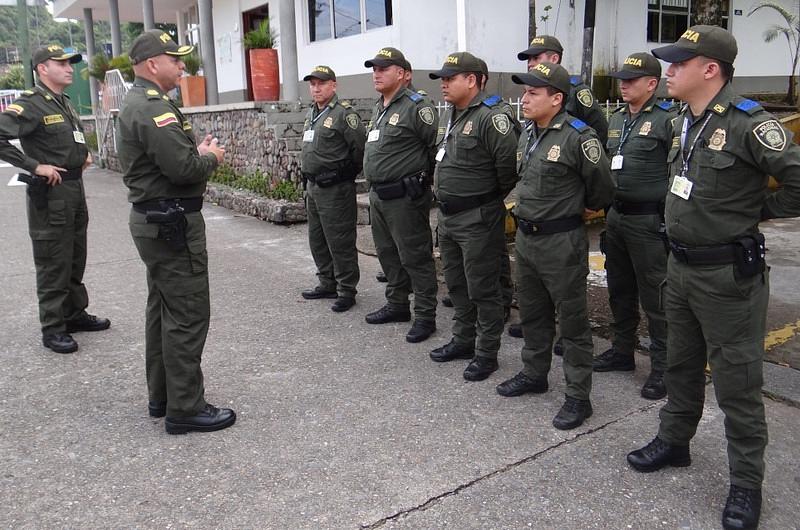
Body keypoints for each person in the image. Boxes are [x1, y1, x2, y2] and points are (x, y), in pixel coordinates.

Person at [626, 26, 800, 530]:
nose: (669, 70)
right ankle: (675, 441)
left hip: (727, 277)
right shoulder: (685, 118)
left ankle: (746, 483)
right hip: (680, 267)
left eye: (680, 62)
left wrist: (756, 211)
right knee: (679, 364)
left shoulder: (749, 123)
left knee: (737, 384)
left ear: (711, 69)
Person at [116, 30, 234, 434]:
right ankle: (185, 408)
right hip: (171, 223)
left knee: (163, 310)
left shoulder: (145, 104)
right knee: (186, 313)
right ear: (153, 64)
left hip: (158, 221)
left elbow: (172, 159)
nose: (182, 65)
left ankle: (164, 396)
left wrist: (193, 153)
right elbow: (183, 170)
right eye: (175, 58)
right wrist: (211, 157)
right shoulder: (152, 108)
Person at [496, 62, 613, 430]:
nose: (524, 98)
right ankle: (534, 373)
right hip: (528, 240)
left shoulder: (580, 138)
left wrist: (572, 209)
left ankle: (579, 396)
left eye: (533, 92)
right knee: (532, 312)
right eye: (524, 91)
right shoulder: (529, 134)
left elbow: (602, 190)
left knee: (573, 322)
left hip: (562, 242)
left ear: (557, 99)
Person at [0, 45, 109, 354]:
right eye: (61, 63)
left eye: (70, 63)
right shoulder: (31, 105)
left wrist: (83, 154)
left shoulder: (63, 102)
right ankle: (52, 327)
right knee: (53, 261)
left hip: (74, 188)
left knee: (75, 255)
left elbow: (68, 139)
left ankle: (73, 314)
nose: (69, 68)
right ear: (42, 69)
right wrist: (35, 166)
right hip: (52, 193)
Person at [509, 34, 611, 343]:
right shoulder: (529, 132)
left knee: (570, 308)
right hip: (532, 225)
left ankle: (575, 371)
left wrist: (577, 200)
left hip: (562, 223)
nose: (531, 62)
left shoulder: (577, 108)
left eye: (536, 57)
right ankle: (537, 354)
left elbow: (599, 174)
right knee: (533, 299)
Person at [427, 52, 519, 381]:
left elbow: (508, 169)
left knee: (484, 288)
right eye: (443, 79)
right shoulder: (453, 114)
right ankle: (463, 340)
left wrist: (483, 200)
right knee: (456, 285)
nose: (444, 85)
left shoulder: (490, 117)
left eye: (450, 78)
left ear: (472, 79)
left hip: (478, 217)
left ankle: (486, 352)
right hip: (449, 217)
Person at [594, 52, 675, 400]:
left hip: (648, 220)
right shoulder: (616, 119)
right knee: (620, 289)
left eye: (631, 79)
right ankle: (622, 351)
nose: (623, 84)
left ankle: (663, 367)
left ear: (652, 84)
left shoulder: (667, 120)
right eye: (622, 79)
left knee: (656, 296)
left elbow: (680, 169)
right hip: (617, 216)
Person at [362, 47, 439, 343]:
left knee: (415, 257)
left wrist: (422, 184)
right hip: (379, 196)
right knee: (388, 255)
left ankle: (425, 316)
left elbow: (436, 149)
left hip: (405, 197)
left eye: (384, 68)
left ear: (404, 74)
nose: (376, 73)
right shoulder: (379, 106)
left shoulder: (418, 106)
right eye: (374, 68)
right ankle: (397, 304)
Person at [299, 65, 366, 312]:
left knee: (340, 240)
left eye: (322, 83)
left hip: (335, 189)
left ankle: (346, 289)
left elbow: (360, 147)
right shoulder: (312, 113)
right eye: (313, 84)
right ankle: (327, 282)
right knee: (317, 239)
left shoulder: (343, 114)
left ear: (333, 85)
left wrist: (343, 174)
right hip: (313, 187)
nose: (316, 88)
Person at [517, 35, 608, 145]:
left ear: (554, 59)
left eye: (536, 58)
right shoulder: (529, 88)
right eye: (529, 59)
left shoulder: (576, 91)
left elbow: (601, 132)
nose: (530, 64)